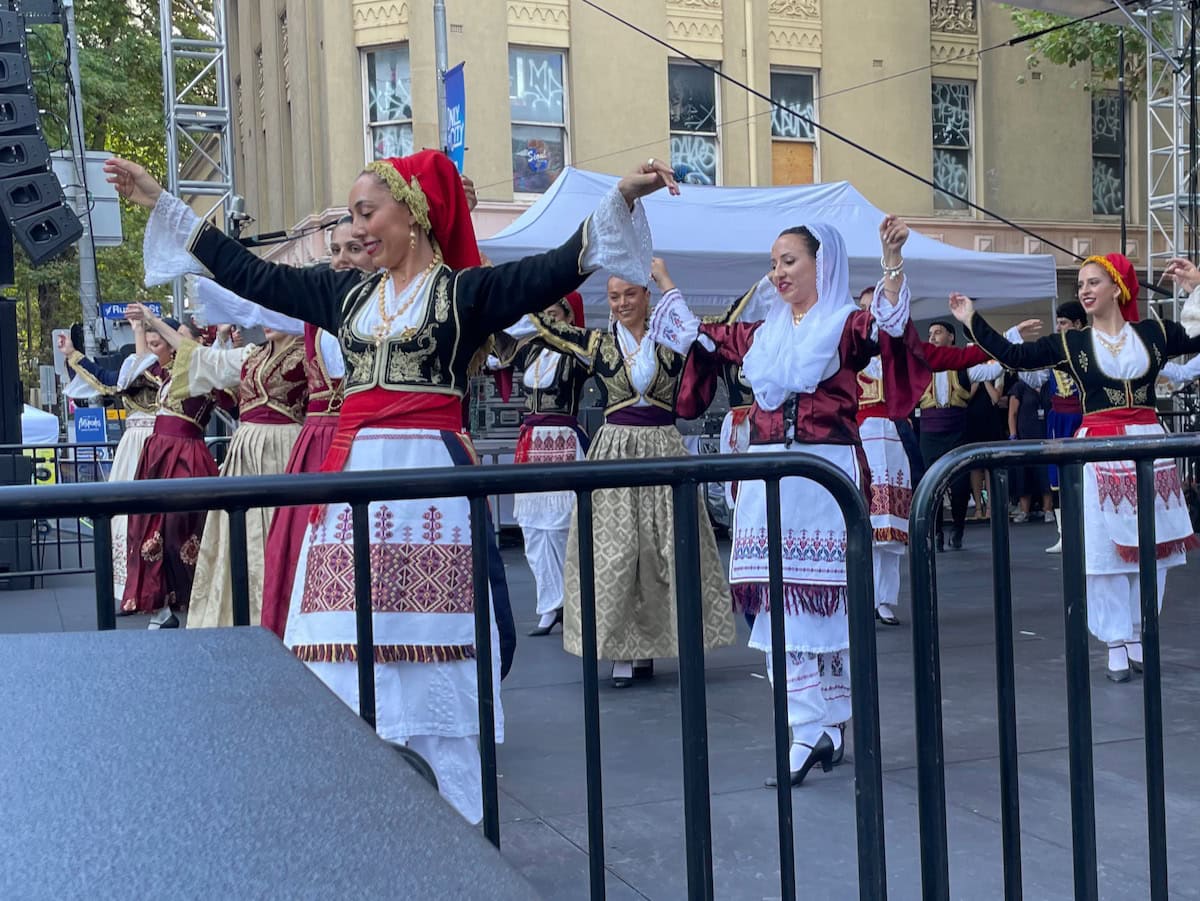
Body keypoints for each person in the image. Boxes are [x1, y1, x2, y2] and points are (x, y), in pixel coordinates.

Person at [105, 149, 678, 822]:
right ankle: (352, 825)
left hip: (428, 494)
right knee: (337, 654)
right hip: (352, 497)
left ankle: (459, 832)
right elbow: (250, 272)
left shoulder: (462, 295)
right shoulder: (345, 295)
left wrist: (623, 199)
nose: (359, 228)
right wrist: (161, 199)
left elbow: (555, 265)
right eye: (353, 215)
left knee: (437, 659)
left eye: (367, 212)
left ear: (413, 213)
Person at [649, 217, 924, 783]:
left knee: (820, 607)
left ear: (822, 265)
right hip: (770, 475)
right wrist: (666, 286)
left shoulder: (845, 326)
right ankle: (814, 727)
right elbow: (702, 337)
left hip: (824, 476)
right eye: (774, 262)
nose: (778, 272)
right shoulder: (763, 334)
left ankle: (819, 727)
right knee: (777, 606)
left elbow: (888, 328)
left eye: (789, 261)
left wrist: (891, 262)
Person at [948, 252, 1200, 681]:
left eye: (1093, 282)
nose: (1083, 290)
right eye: (1080, 283)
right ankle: (1115, 641)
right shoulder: (1072, 343)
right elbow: (1016, 356)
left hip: (1147, 443)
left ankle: (1139, 631)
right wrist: (972, 319)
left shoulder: (1155, 334)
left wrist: (1195, 287)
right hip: (1099, 447)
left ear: (1117, 288)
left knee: (1151, 545)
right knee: (1103, 550)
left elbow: (1196, 339)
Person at [524, 260, 735, 687]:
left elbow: (715, 326)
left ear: (646, 296)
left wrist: (666, 278)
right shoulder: (599, 344)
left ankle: (659, 645)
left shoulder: (672, 338)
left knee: (663, 551)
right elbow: (548, 328)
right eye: (615, 296)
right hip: (615, 449)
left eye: (630, 294)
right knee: (616, 552)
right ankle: (620, 650)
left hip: (662, 445)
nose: (621, 303)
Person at [852, 287, 1029, 626]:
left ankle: (882, 599)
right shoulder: (844, 349)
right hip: (857, 440)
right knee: (862, 521)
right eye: (864, 309)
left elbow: (959, 358)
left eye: (876, 309)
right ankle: (858, 595)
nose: (869, 315)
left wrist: (1007, 338)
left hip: (895, 437)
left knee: (892, 524)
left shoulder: (903, 352)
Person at [133, 302, 308, 628]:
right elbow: (199, 356)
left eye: (276, 313)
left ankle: (285, 616)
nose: (266, 321)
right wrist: (152, 321)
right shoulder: (251, 355)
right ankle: (238, 614)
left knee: (278, 534)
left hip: (284, 450)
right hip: (245, 450)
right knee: (238, 534)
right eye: (265, 315)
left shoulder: (310, 354)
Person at [260, 217, 370, 639]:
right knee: (300, 546)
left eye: (353, 249)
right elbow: (253, 290)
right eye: (335, 251)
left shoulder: (389, 309)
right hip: (317, 443)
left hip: (363, 440)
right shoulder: (314, 311)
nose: (341, 260)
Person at [119, 312, 232, 627]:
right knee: (146, 529)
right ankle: (160, 609)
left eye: (179, 336)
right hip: (158, 452)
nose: (172, 343)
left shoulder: (206, 370)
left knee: (176, 530)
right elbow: (140, 362)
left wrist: (221, 338)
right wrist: (140, 326)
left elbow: (228, 383)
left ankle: (197, 598)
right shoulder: (166, 373)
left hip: (185, 455)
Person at [493, 293, 590, 637]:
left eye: (554, 314)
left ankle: (573, 600)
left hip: (564, 439)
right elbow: (497, 347)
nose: (547, 321)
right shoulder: (530, 351)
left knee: (565, 528)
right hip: (531, 443)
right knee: (533, 530)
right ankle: (549, 604)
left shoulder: (577, 353)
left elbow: (595, 359)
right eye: (543, 314)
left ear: (568, 316)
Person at [58, 319, 163, 605]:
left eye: (157, 343)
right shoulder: (133, 368)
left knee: (154, 520)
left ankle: (157, 592)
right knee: (124, 518)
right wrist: (72, 354)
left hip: (161, 442)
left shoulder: (168, 372)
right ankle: (128, 588)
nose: (150, 349)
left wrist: (142, 332)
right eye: (148, 342)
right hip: (133, 444)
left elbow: (145, 376)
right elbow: (106, 379)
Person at [917, 320, 1007, 551]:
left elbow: (994, 369)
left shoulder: (965, 366)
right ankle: (935, 531)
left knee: (958, 486)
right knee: (931, 486)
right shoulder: (920, 365)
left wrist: (1010, 341)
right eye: (930, 333)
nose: (933, 337)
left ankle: (957, 527)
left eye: (938, 332)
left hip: (956, 432)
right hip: (929, 434)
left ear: (951, 337)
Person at [1006, 374, 1053, 523]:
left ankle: (1048, 509)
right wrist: (1013, 436)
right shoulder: (1020, 386)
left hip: (1045, 436)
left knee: (1046, 474)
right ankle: (1025, 510)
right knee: (1024, 474)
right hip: (1025, 437)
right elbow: (1012, 414)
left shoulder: (1048, 385)